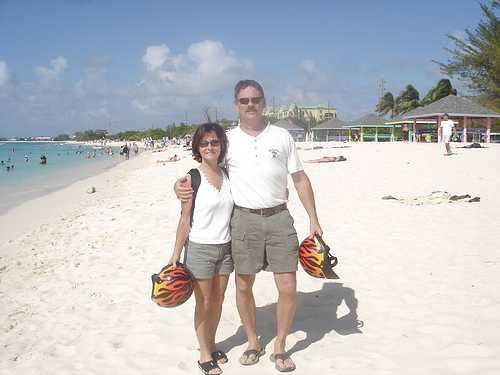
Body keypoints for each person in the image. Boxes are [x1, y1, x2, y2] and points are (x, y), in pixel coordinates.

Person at [175, 80, 323, 372]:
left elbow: (300, 179)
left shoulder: (282, 137)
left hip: (280, 217)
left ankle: (280, 347)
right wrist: (178, 187)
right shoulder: (227, 140)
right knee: (243, 285)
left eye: (256, 99)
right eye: (244, 100)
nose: (251, 104)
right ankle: (253, 342)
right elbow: (207, 169)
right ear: (236, 105)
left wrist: (314, 218)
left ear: (264, 102)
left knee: (289, 287)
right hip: (243, 220)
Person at [169, 123, 234, 375]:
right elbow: (185, 218)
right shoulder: (192, 178)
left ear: (221, 146)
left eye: (215, 142)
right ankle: (204, 354)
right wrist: (175, 254)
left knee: (218, 300)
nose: (210, 147)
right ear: (197, 147)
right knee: (204, 302)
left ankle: (212, 342)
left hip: (225, 248)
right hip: (200, 249)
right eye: (204, 143)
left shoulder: (228, 175)